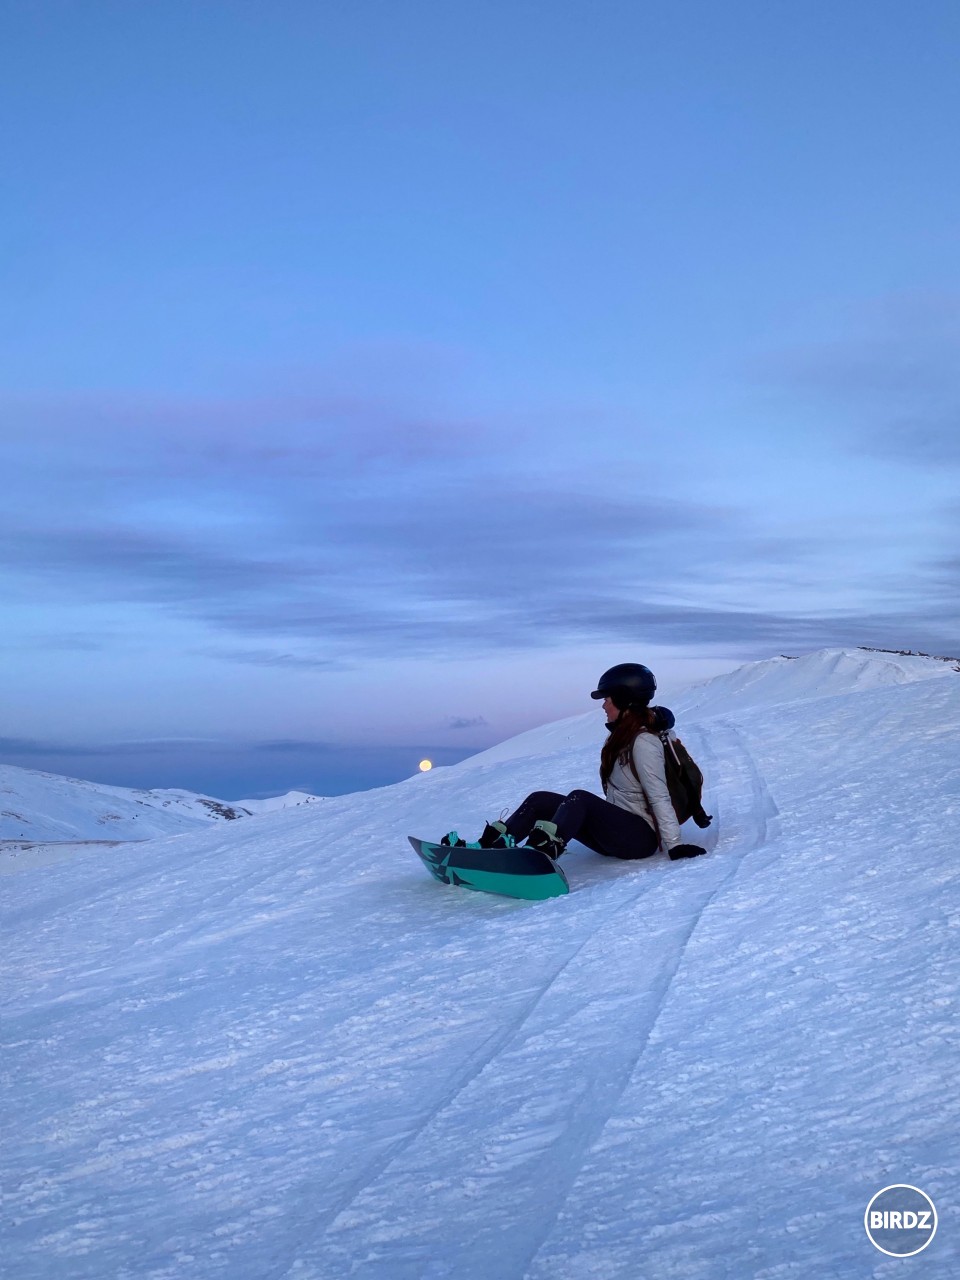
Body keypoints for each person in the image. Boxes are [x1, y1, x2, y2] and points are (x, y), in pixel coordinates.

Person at [445, 663, 707, 862]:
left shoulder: (643, 742)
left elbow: (659, 794)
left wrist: (673, 845)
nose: (603, 705)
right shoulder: (620, 738)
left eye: (607, 698)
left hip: (639, 839)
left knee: (579, 798)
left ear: (624, 700)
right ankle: (492, 848)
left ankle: (537, 858)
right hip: (619, 831)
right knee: (540, 800)